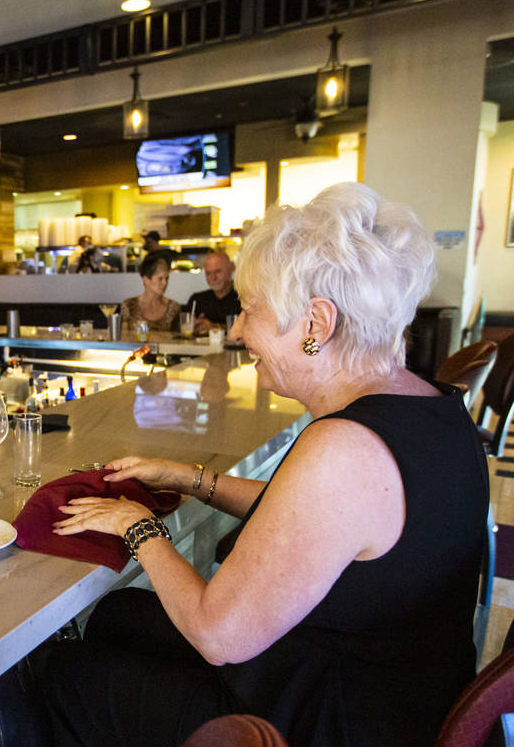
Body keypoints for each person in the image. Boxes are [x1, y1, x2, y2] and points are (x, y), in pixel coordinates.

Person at [43, 182, 489, 746]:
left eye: (250, 311)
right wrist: (190, 478)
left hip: (333, 720)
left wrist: (137, 526)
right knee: (116, 616)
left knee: (70, 676)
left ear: (315, 326)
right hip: (402, 692)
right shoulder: (433, 409)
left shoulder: (345, 450)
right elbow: (320, 526)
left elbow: (216, 634)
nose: (236, 330)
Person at [120, 254, 181, 332]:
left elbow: (178, 340)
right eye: (160, 278)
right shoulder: (128, 305)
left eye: (167, 278)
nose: (165, 283)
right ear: (146, 280)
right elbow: (123, 338)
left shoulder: (173, 307)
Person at [185, 251, 241, 335]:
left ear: (231, 269)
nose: (213, 278)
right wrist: (193, 326)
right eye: (208, 273)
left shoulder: (243, 299)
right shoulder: (197, 300)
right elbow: (183, 329)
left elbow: (248, 331)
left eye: (218, 272)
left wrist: (215, 327)